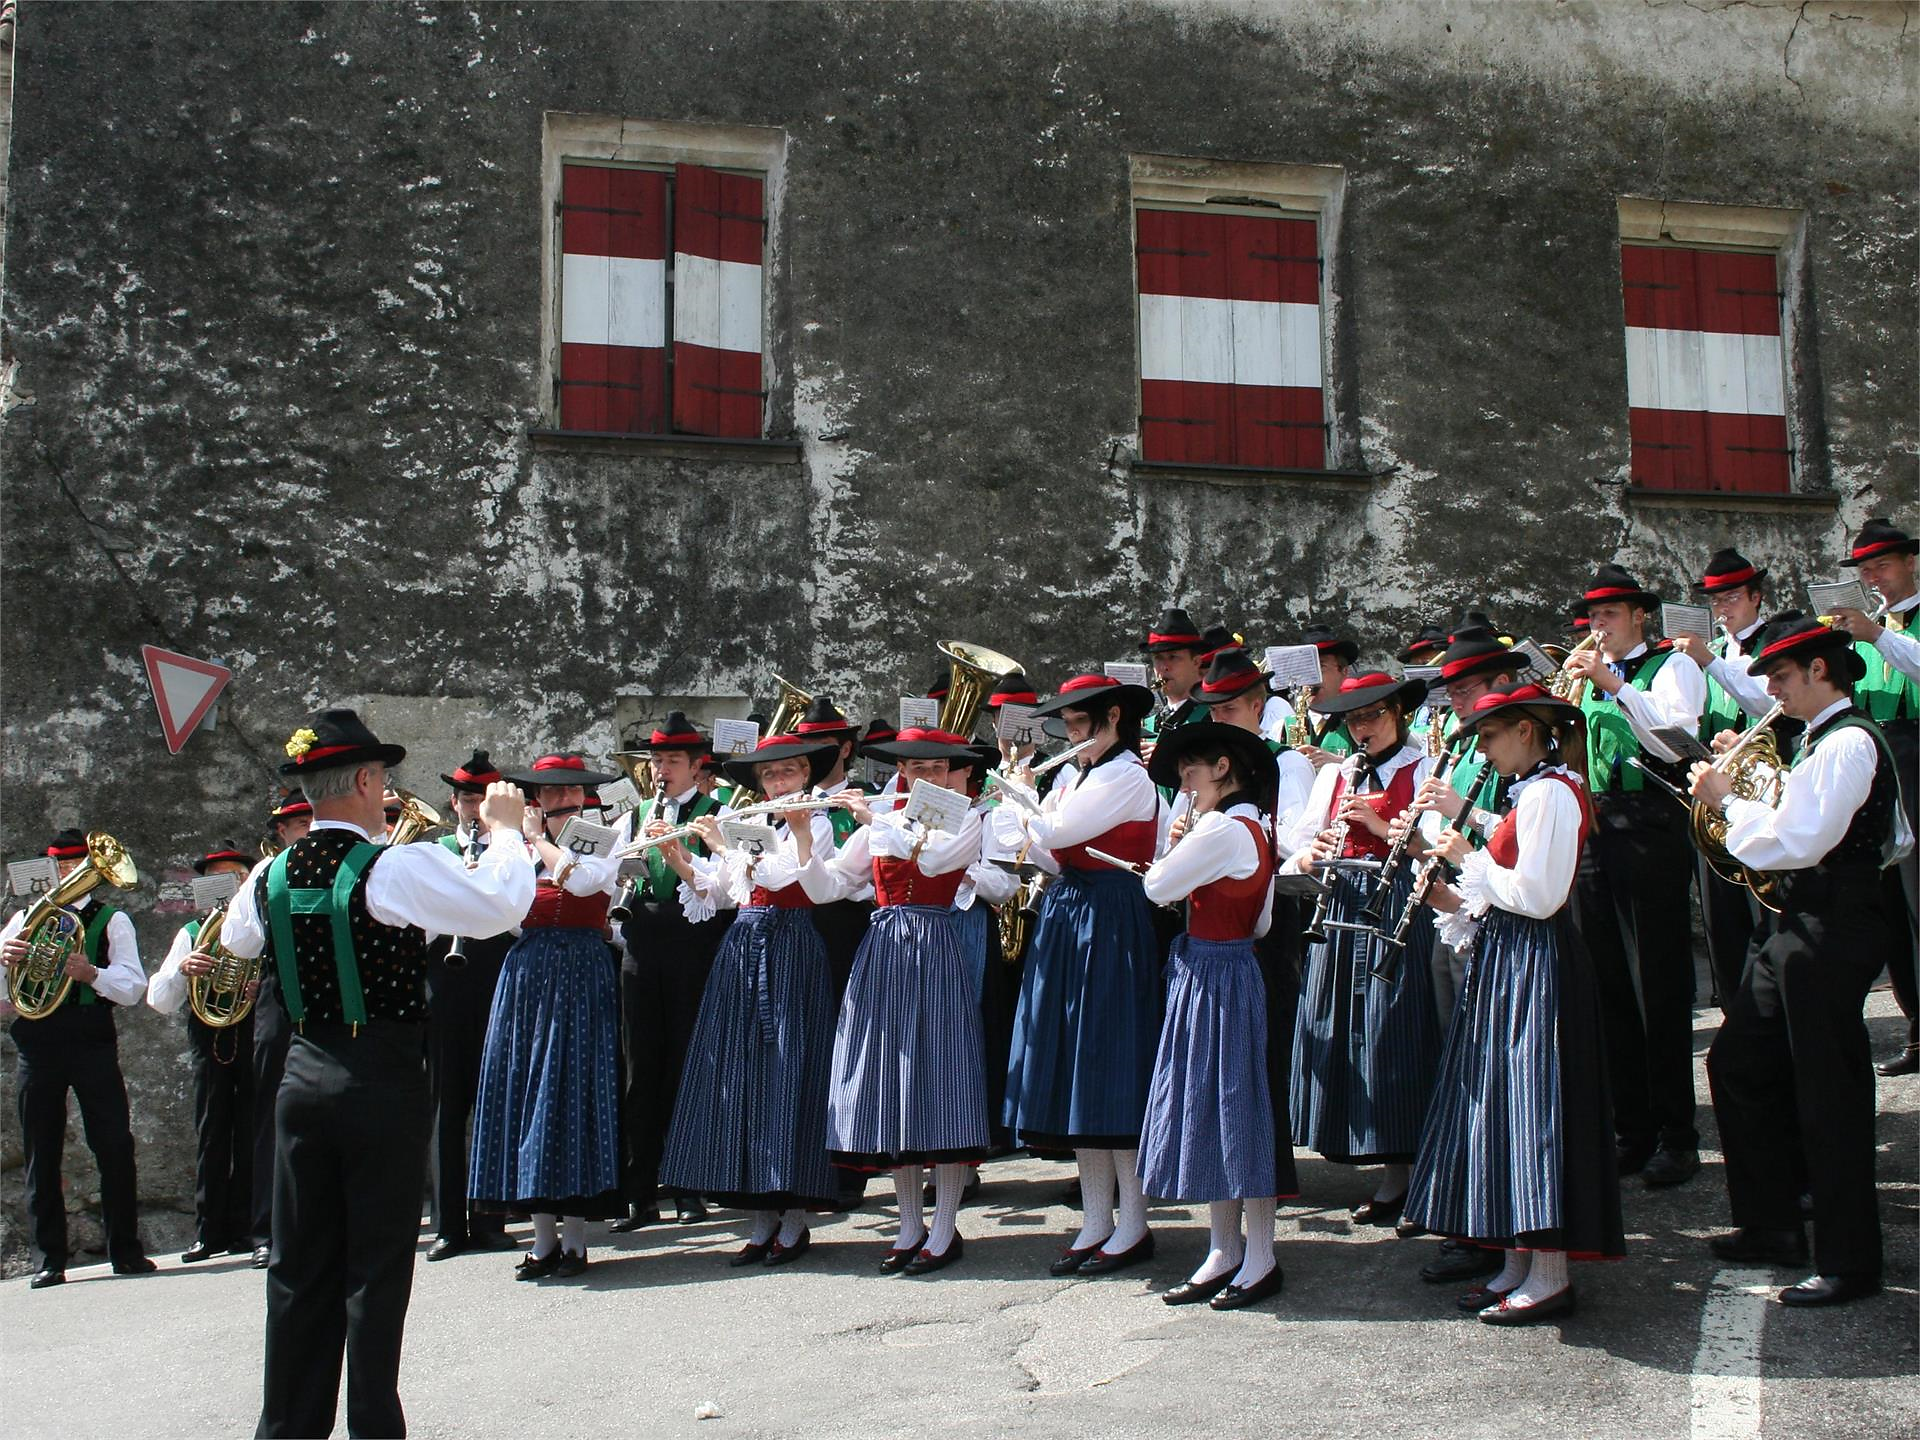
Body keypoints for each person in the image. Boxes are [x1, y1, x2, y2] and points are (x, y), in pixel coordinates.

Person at [214, 708, 533, 1438]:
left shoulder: (268, 872)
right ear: (362, 781)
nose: (388, 791)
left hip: (301, 1074)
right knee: (375, 1271)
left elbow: (238, 940)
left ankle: (287, 1429)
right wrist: (507, 831)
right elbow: (499, 905)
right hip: (380, 1079)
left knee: (297, 1271)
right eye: (383, 779)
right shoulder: (393, 867)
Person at [1694, 614, 1910, 1308]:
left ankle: (1850, 1261)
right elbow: (1797, 816)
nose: (1774, 692)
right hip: (1799, 919)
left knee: (1829, 1092)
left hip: (1832, 922)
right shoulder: (1820, 740)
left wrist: (1729, 801)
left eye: (1782, 677)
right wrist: (1756, 784)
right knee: (1738, 1062)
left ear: (1820, 670)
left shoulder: (1848, 742)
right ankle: (1773, 1222)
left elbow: (1803, 839)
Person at [1404, 683, 1624, 1325]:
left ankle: (1550, 1275)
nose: (1484, 750)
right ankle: (1515, 1261)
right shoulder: (1529, 792)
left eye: (1491, 735)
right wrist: (1452, 901)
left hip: (1538, 964)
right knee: (1502, 1107)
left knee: (1534, 1109)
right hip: (1509, 959)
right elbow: (1507, 890)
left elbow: (1540, 895)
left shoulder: (1553, 791)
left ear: (1526, 730)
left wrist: (1468, 857)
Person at [656, 733, 846, 1265]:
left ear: (805, 776)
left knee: (788, 1071)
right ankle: (761, 1218)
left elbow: (786, 877)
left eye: (788, 772)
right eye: (770, 775)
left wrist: (723, 845)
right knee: (744, 1075)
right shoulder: (752, 823)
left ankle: (795, 1219)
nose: (778, 782)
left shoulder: (817, 823)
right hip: (743, 945)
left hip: (790, 945)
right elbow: (721, 893)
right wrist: (680, 858)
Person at [1001, 673, 1165, 1277]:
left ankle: (1134, 1222)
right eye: (1066, 726)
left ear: (1113, 717)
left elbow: (1058, 831)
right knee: (1076, 1070)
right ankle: (1097, 1219)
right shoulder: (1078, 775)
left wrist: (1021, 795)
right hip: (1070, 911)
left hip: (1113, 916)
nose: (1070, 736)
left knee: (1109, 1066)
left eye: (1079, 725)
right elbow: (1045, 851)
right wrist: (1019, 810)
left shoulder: (1127, 775)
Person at [813, 728, 989, 1275]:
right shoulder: (887, 815)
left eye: (937, 769)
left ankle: (945, 1226)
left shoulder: (967, 817)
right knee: (895, 1086)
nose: (927, 778)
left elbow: (932, 861)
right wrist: (796, 837)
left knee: (940, 1082)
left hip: (935, 946)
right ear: (903, 772)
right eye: (917, 769)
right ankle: (909, 1225)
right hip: (884, 950)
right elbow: (830, 885)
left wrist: (874, 818)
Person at [1559, 563, 1708, 1188]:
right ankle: (1632, 1129)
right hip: (1597, 822)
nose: (1599, 625)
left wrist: (1614, 685)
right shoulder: (1590, 676)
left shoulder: (1671, 667)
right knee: (1609, 982)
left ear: (1639, 616)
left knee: (1659, 980)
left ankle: (1678, 1135)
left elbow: (1676, 742)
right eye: (1593, 616)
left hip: (1651, 819)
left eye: (1610, 614)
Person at [1280, 671, 1442, 1226]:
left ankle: (1410, 1173)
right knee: (1343, 1028)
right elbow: (1299, 840)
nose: (1360, 729)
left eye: (1371, 716)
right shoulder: (1337, 773)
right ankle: (1376, 1157)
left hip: (1396, 904)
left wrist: (1379, 824)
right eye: (1352, 720)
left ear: (1397, 713)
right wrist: (1312, 852)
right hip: (1341, 900)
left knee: (1394, 1029)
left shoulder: (1424, 769)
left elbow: (1436, 847)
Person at [1139, 722, 1289, 1312]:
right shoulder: (1255, 827)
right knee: (1216, 1106)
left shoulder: (1224, 828)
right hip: (1230, 968)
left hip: (1215, 974)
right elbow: (1263, 922)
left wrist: (1179, 845)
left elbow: (1157, 886)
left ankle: (1260, 1257)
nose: (1185, 784)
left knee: (1236, 1108)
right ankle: (1225, 1250)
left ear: (1223, 768)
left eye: (1192, 771)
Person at [468, 753, 626, 1280]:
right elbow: (502, 912)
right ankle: (542, 1240)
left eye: (572, 791)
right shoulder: (514, 846)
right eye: (553, 792)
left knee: (572, 1090)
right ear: (537, 797)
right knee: (523, 1089)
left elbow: (582, 884)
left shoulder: (603, 839)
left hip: (581, 968)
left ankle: (576, 1241)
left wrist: (535, 838)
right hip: (529, 972)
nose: (564, 799)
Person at [0, 829, 154, 1289]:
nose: (68, 874)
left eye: (75, 866)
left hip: (91, 1038)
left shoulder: (112, 919)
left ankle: (125, 1250)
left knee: (114, 1143)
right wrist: (5, 959)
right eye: (61, 867)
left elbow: (133, 987)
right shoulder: (25, 918)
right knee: (40, 1149)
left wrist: (92, 974)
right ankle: (48, 1258)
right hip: (37, 1040)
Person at [611, 715, 732, 1233]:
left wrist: (680, 854)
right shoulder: (634, 815)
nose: (661, 770)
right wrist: (634, 852)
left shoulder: (716, 815)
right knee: (640, 1069)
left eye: (672, 762)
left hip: (692, 946)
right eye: (657, 761)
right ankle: (639, 1192)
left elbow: (724, 891)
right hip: (642, 944)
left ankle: (688, 1185)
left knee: (687, 1062)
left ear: (696, 766)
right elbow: (615, 878)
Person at [1827, 516, 1920, 1075]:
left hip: (1918, 752)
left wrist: (1878, 636)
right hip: (1878, 754)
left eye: (1882, 566)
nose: (1874, 578)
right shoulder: (1872, 626)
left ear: (1911, 562)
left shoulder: (1883, 630)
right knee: (1890, 904)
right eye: (1866, 570)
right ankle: (1915, 1027)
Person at [1670, 549, 1776, 1009]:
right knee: (1721, 909)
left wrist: (1710, 661)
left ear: (1756, 597)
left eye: (1731, 598)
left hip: (1763, 790)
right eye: (1715, 601)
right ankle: (1736, 1007)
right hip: (1714, 792)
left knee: (1762, 901)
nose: (1722, 609)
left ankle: (1774, 1006)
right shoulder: (1709, 652)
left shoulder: (1776, 640)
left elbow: (1764, 701)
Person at [421, 751, 516, 1261]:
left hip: (497, 980)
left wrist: (487, 884)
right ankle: (447, 1225)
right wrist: (457, 890)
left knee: (494, 1101)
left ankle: (491, 1217)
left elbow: (521, 919)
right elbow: (417, 925)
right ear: (453, 802)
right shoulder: (433, 853)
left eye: (482, 799)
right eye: (466, 798)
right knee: (446, 1104)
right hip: (444, 985)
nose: (473, 807)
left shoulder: (513, 851)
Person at [147, 846, 259, 1265]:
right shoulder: (192, 932)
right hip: (209, 1039)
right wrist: (183, 969)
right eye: (214, 878)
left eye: (233, 876)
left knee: (254, 1132)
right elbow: (159, 1000)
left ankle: (251, 1227)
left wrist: (262, 986)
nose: (224, 884)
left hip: (253, 1035)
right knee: (211, 1132)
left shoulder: (260, 927)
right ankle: (207, 1230)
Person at [247, 789, 312, 1269]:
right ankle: (268, 1230)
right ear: (282, 833)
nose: (308, 831)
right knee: (272, 1113)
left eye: (312, 822)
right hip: (281, 996)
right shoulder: (264, 874)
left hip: (325, 996)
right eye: (299, 826)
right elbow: (241, 940)